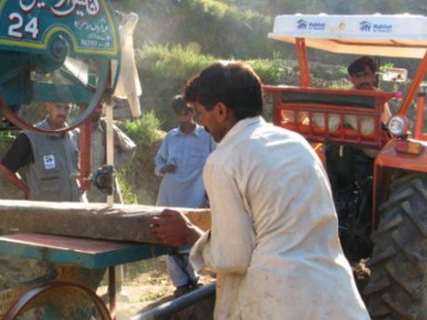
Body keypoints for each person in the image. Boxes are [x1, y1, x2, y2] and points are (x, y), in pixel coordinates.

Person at [150, 62, 369, 319]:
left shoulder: (224, 161)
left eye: (200, 112)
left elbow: (233, 257)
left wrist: (189, 235)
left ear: (221, 111)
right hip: (337, 299)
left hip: (279, 303)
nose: (201, 122)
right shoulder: (297, 144)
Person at [154, 95, 216, 297]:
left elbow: (215, 161)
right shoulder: (171, 137)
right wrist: (164, 168)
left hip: (195, 195)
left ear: (193, 112)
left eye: (188, 111)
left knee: (191, 237)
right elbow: (159, 163)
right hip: (170, 194)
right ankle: (180, 283)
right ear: (177, 115)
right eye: (181, 113)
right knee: (170, 239)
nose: (185, 116)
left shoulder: (207, 137)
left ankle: (193, 278)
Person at [0, 102, 85, 202]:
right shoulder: (31, 137)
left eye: (67, 108)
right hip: (47, 212)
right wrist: (27, 191)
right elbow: (5, 168)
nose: (62, 112)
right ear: (47, 106)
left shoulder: (75, 135)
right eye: (58, 106)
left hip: (76, 207)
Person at [84, 102, 137, 203]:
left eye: (99, 107)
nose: (96, 110)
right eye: (92, 106)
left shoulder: (108, 128)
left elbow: (130, 148)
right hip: (85, 192)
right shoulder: (77, 131)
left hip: (107, 190)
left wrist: (113, 166)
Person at [348, 55, 392, 124]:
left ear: (373, 76)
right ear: (352, 79)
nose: (363, 80)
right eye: (358, 76)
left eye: (366, 74)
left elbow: (386, 124)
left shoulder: (381, 98)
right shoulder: (346, 98)